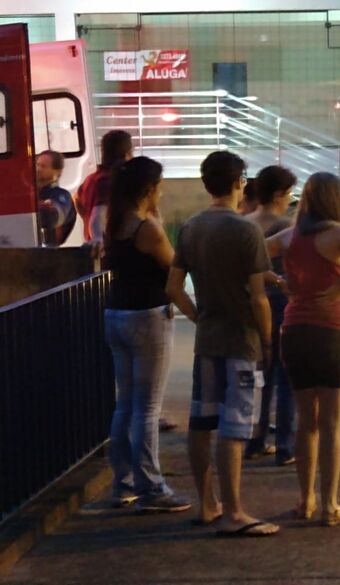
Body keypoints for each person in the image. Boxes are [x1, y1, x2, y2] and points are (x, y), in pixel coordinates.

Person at [166, 151, 279, 537]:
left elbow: (174, 287)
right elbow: (258, 296)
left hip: (207, 339)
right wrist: (267, 338)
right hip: (241, 340)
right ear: (239, 183)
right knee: (235, 426)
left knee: (201, 421)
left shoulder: (191, 227)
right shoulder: (246, 231)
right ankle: (235, 512)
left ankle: (208, 503)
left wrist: (199, 316)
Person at [266, 171, 340, 527]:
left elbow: (256, 252)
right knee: (331, 426)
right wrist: (339, 288)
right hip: (332, 332)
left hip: (294, 330)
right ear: (337, 199)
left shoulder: (291, 236)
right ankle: (330, 506)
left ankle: (305, 500)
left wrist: (277, 280)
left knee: (306, 423)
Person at [103, 156, 191, 513]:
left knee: (126, 403)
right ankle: (151, 488)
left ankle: (122, 483)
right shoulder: (147, 228)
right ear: (149, 189)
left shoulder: (117, 222)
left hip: (117, 313)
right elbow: (174, 266)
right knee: (148, 407)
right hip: (147, 317)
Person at [242, 165, 297, 466]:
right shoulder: (284, 226)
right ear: (279, 194)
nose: (289, 199)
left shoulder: (244, 223)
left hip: (248, 304)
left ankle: (255, 438)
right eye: (289, 193)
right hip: (279, 303)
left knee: (259, 377)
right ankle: (286, 445)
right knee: (285, 378)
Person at [75, 130, 133, 245]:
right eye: (132, 152)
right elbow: (98, 218)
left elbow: (76, 198)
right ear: (126, 154)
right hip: (107, 251)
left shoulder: (91, 179)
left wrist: (85, 216)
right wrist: (100, 242)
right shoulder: (109, 181)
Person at [36, 150, 77, 247]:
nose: (38, 169)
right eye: (37, 165)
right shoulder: (31, 193)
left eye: (43, 166)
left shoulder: (62, 196)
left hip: (48, 255)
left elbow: (52, 218)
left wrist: (41, 207)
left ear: (57, 171)